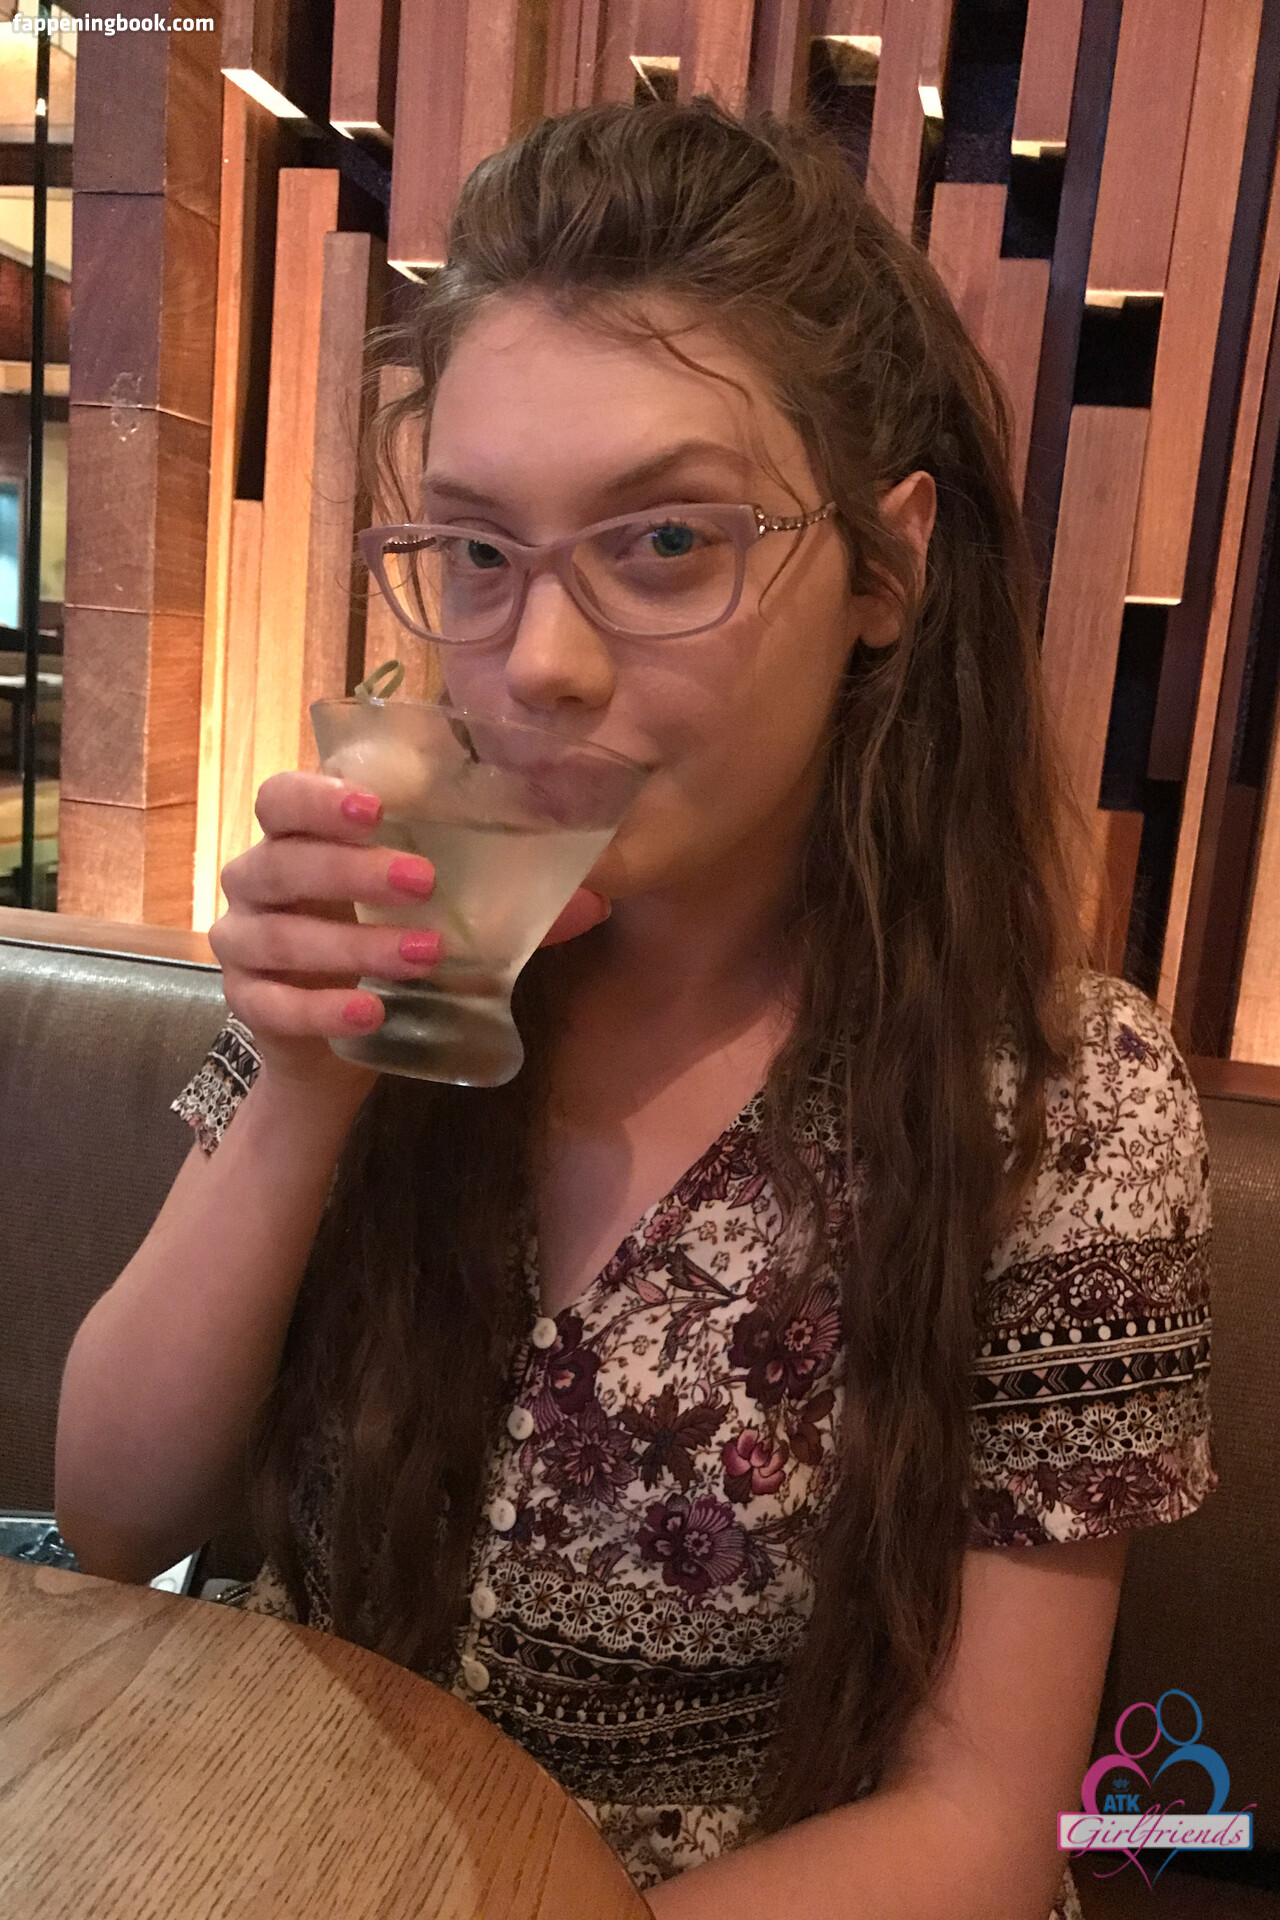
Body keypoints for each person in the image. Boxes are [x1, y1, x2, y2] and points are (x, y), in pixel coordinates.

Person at [55, 100, 1216, 1920]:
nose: (542, 661)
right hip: (270, 1841)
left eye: (665, 540)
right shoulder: (407, 919)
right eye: (477, 552)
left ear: (887, 568)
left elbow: (985, 1832)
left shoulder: (1060, 1103)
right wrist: (299, 1084)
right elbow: (118, 1519)